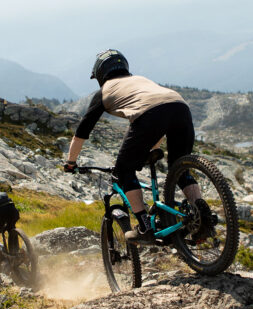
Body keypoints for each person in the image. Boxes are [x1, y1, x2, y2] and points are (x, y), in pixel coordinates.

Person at [63, 49, 211, 243]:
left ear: (100, 73)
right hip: (180, 106)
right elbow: (161, 116)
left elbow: (81, 133)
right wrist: (148, 150)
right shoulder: (140, 80)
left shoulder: (105, 91)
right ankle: (200, 214)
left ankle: (144, 227)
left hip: (150, 115)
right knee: (180, 170)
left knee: (123, 172)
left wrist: (71, 162)